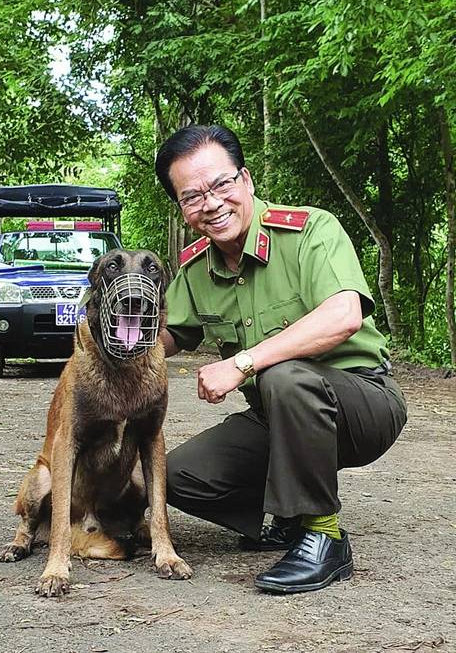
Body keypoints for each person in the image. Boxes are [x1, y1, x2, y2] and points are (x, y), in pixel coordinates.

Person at [155, 124, 407, 594]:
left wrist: (242, 362)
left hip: (363, 402)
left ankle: (325, 536)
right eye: (192, 197)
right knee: (177, 475)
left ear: (245, 180)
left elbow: (344, 314)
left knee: (284, 375)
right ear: (183, 209)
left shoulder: (310, 229)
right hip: (279, 415)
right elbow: (172, 334)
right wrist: (113, 341)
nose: (211, 203)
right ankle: (291, 516)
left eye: (221, 185)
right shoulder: (195, 268)